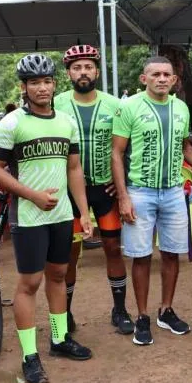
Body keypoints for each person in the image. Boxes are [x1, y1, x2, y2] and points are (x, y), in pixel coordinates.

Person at [0, 54, 93, 383]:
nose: (42, 88)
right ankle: (29, 356)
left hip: (61, 215)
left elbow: (73, 168)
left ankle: (59, 341)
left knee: (58, 276)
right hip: (30, 216)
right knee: (30, 284)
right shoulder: (12, 123)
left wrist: (83, 210)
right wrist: (31, 195)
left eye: (47, 81)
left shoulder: (66, 121)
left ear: (53, 84)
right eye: (34, 82)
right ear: (24, 87)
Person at [112, 56, 192, 346]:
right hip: (140, 191)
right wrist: (124, 197)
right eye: (155, 74)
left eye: (166, 75)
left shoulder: (181, 108)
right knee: (142, 255)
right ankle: (143, 316)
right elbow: (116, 153)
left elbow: (185, 145)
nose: (161, 79)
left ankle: (166, 310)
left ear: (174, 80)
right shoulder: (129, 107)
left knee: (172, 253)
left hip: (174, 191)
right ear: (143, 79)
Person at [53, 45, 133, 336]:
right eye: (76, 67)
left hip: (104, 190)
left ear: (97, 71)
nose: (83, 72)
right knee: (69, 253)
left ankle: (120, 310)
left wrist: (122, 181)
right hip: (69, 193)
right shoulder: (56, 102)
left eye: (88, 67)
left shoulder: (115, 105)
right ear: (68, 73)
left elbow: (128, 146)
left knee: (113, 248)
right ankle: (67, 313)